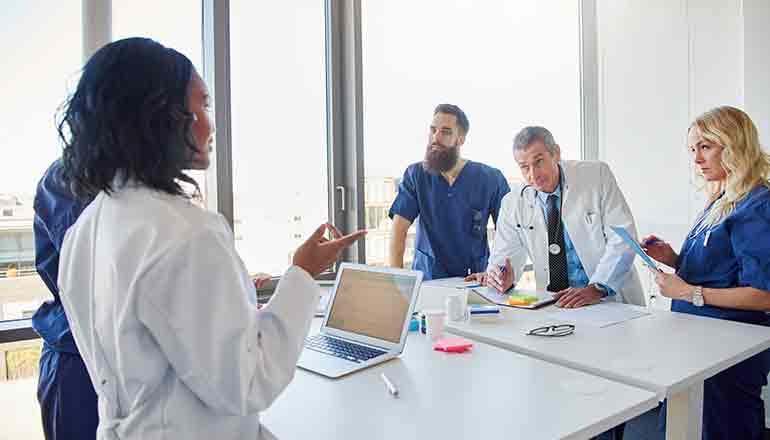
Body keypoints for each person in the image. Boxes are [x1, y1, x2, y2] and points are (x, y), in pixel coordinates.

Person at [55, 37, 365, 439]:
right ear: (159, 115)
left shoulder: (87, 228)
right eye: (201, 105)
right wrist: (302, 274)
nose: (210, 122)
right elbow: (246, 382)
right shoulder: (186, 233)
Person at [639, 106, 770, 440]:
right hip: (697, 345)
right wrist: (673, 258)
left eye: (705, 146)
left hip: (728, 350)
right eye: (692, 149)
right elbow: (716, 269)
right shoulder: (723, 198)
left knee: (723, 428)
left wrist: (688, 293)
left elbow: (763, 294)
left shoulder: (758, 204)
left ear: (734, 143)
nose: (696, 158)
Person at [469, 126, 645, 308]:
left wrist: (598, 287)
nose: (533, 174)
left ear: (556, 154)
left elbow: (623, 237)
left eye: (539, 162)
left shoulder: (596, 176)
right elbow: (503, 256)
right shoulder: (513, 202)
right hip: (556, 304)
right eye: (524, 167)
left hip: (609, 300)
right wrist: (501, 277)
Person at [388, 104, 510, 279]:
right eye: (433, 130)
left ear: (460, 139)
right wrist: (397, 283)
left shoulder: (491, 178)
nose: (435, 137)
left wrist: (496, 273)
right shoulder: (416, 175)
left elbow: (508, 234)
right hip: (428, 279)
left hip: (476, 280)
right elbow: (398, 230)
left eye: (445, 132)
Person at [32, 160, 97, 440]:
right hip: (78, 363)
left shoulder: (143, 185)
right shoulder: (71, 176)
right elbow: (96, 274)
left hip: (117, 359)